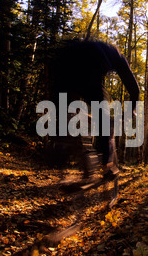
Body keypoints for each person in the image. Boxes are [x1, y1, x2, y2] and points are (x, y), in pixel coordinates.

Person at [51, 38, 140, 189]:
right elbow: (133, 86)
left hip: (62, 64)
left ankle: (62, 146)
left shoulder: (92, 46)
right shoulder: (116, 56)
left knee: (65, 112)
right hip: (89, 64)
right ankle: (108, 167)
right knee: (104, 122)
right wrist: (132, 108)